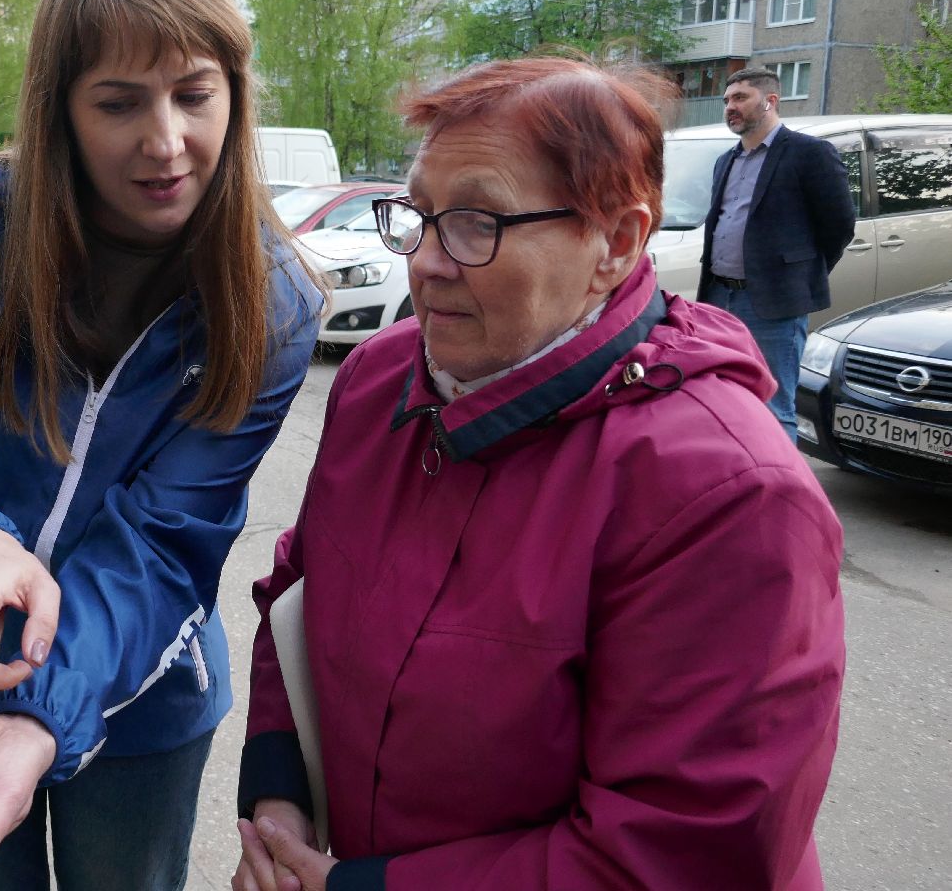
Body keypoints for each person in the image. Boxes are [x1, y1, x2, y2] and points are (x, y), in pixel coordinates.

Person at [234, 56, 844, 891]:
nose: (427, 263)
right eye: (418, 215)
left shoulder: (728, 496)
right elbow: (299, 593)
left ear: (618, 244)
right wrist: (278, 796)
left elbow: (687, 852)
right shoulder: (382, 378)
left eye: (478, 222)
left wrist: (359, 887)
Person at [0, 0, 323, 890]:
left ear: (234, 91)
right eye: (117, 102)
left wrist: (39, 712)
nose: (165, 141)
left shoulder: (273, 301)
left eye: (194, 94)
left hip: (144, 705)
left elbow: (165, 543)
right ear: (59, 108)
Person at [698, 66, 855, 442]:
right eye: (726, 100)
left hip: (770, 303)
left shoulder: (809, 154)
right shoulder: (727, 160)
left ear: (770, 101)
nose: (729, 107)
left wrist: (795, 278)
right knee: (725, 395)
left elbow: (839, 226)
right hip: (719, 297)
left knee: (774, 403)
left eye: (740, 98)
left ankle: (781, 495)